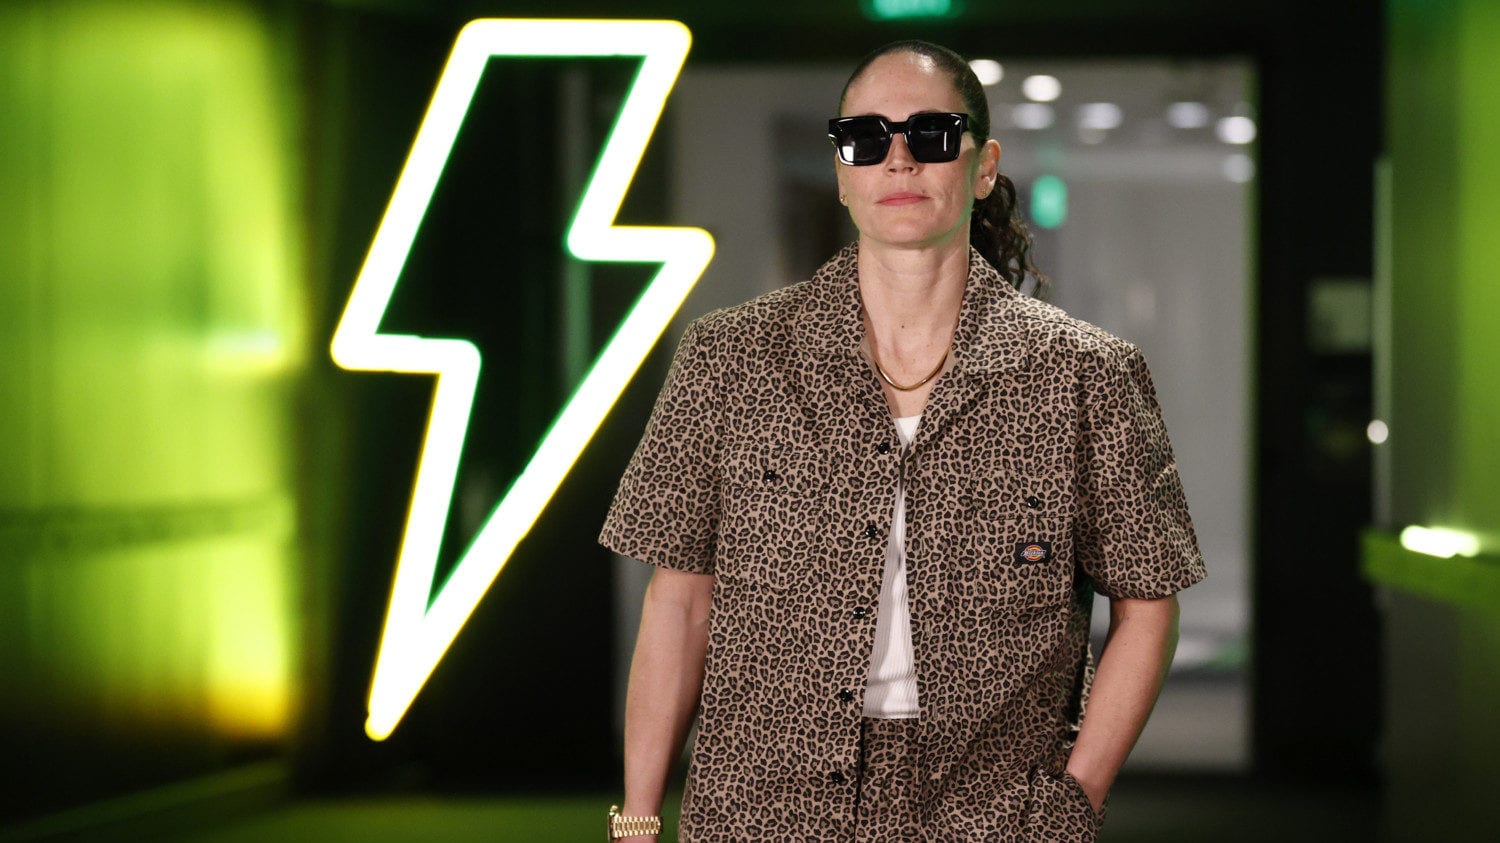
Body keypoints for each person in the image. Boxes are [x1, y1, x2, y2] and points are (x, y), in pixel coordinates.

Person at [599, 39, 1205, 842]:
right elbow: (677, 604)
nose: (898, 160)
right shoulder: (731, 359)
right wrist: (640, 819)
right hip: (764, 805)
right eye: (866, 138)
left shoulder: (1082, 374)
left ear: (982, 166)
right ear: (842, 170)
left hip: (990, 810)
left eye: (929, 135)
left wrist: (1073, 801)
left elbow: (1148, 601)